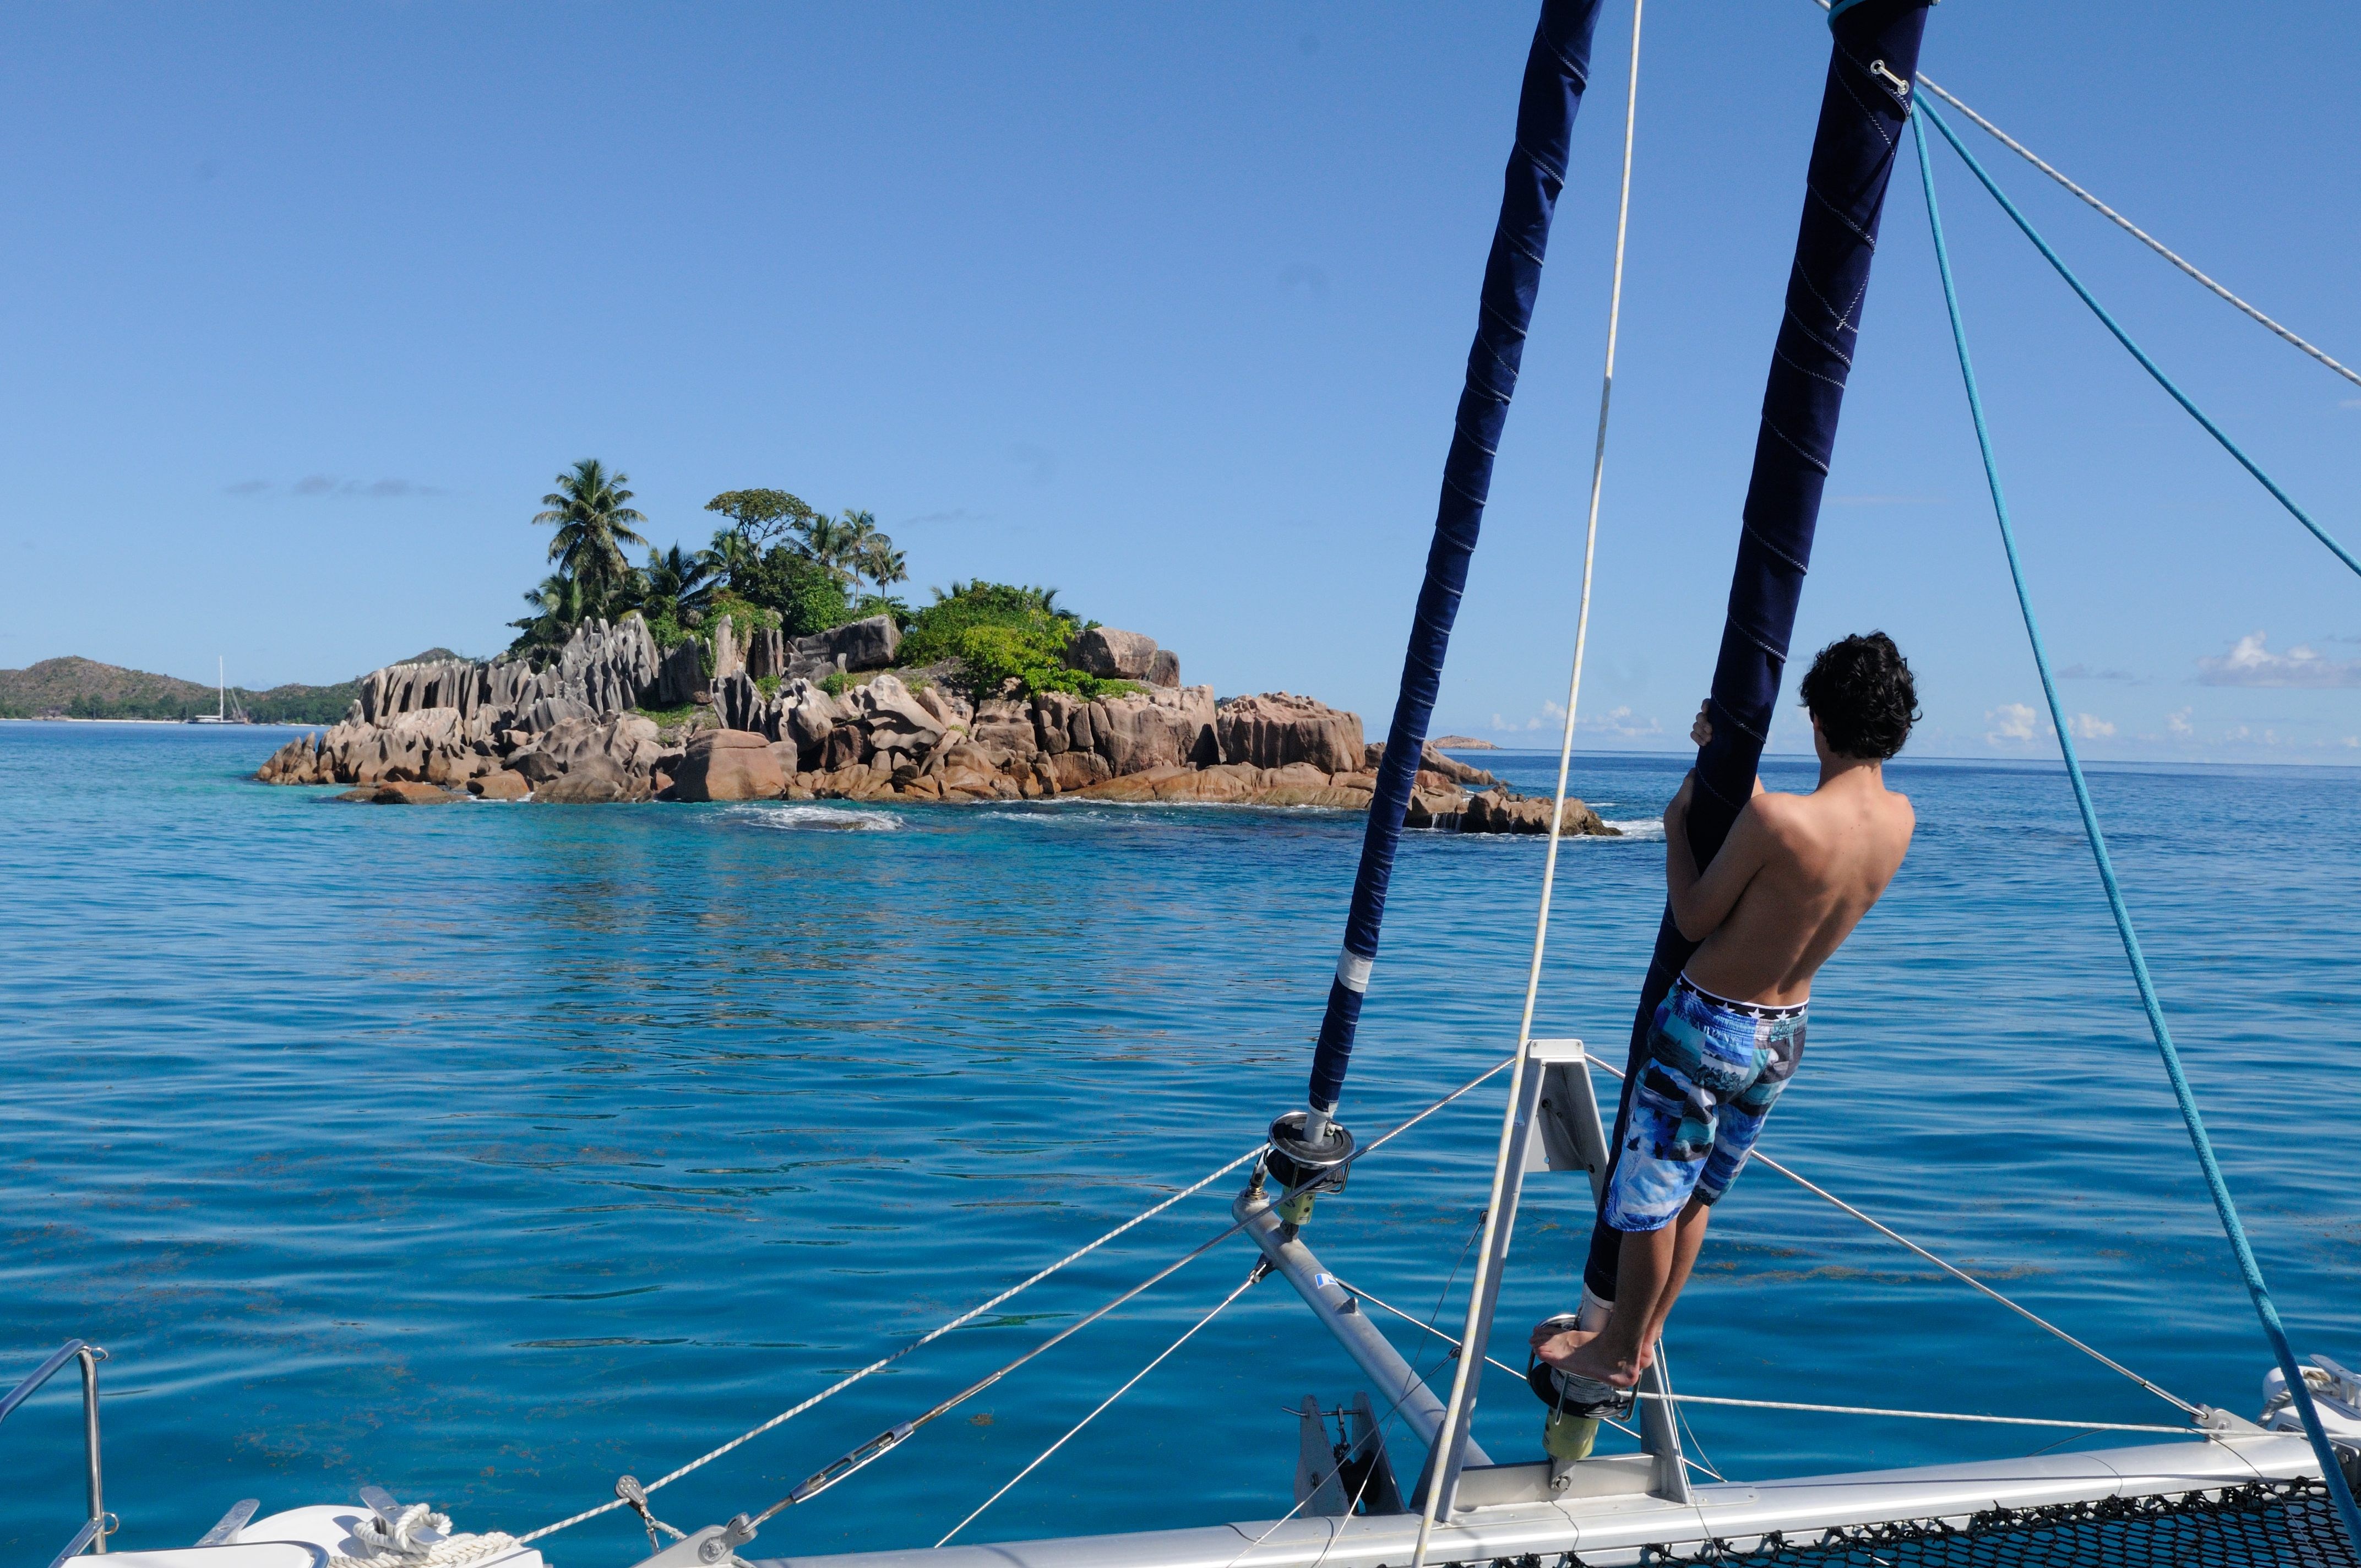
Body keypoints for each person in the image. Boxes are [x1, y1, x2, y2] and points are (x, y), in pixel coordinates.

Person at [1531, 631, 1920, 1397]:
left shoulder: (1781, 821)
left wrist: (1679, 825)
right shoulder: (1899, 820)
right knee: (1699, 1194)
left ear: (1817, 718)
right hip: (1786, 1036)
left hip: (1708, 1027)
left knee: (1647, 1202)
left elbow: (1697, 913)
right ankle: (1642, 1336)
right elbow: (1803, 851)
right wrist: (1738, 782)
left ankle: (1615, 1352)